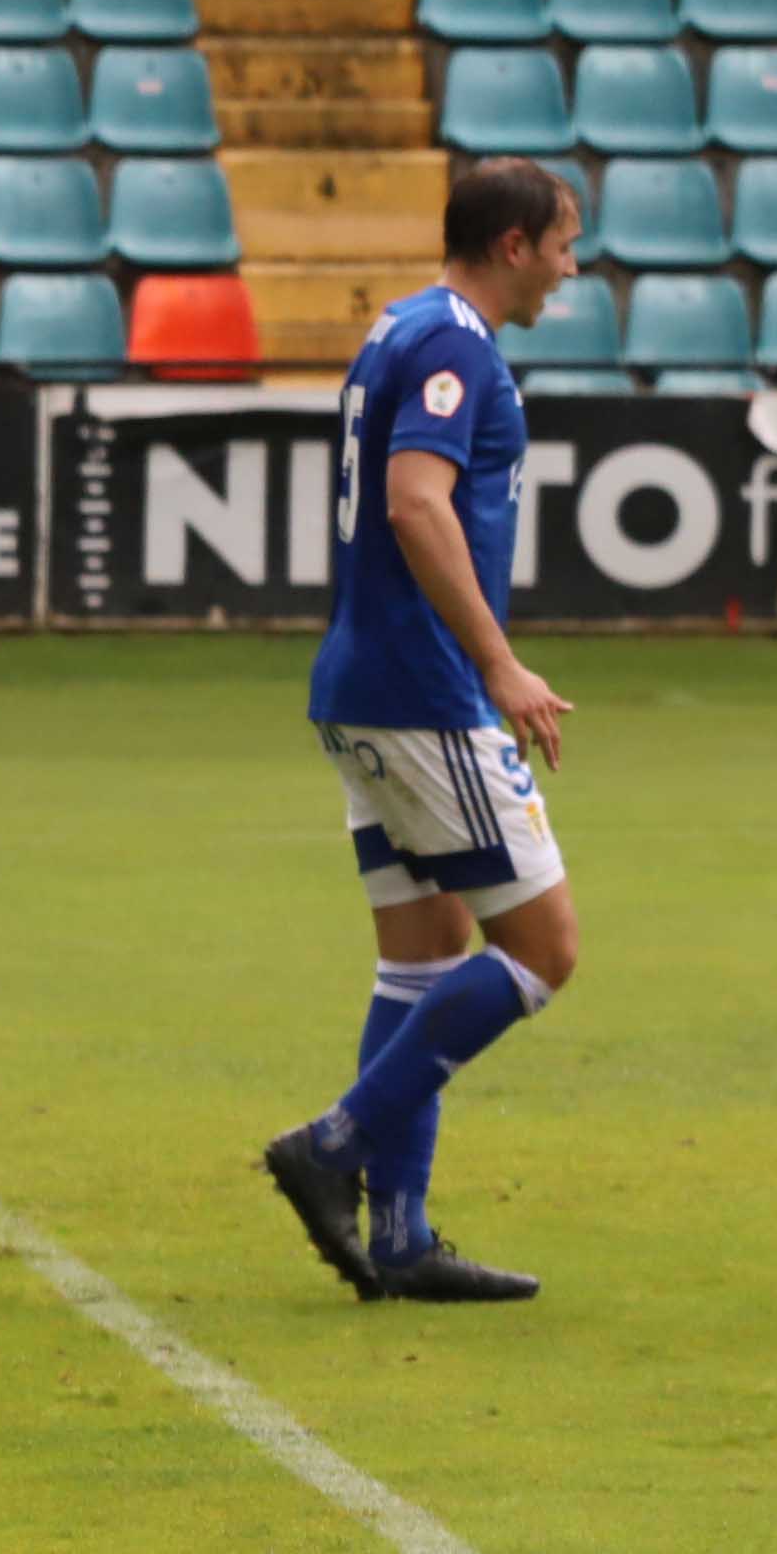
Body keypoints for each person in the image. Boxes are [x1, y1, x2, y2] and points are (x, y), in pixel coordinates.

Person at [265, 157, 586, 1303]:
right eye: (561, 243)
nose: (568, 265)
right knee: (543, 952)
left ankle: (397, 1240)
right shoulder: (456, 345)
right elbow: (412, 500)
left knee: (420, 955)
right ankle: (335, 1145)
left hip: (359, 684)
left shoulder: (399, 327)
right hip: (421, 691)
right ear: (512, 244)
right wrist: (496, 661)